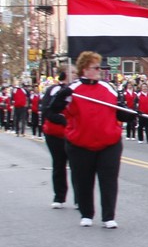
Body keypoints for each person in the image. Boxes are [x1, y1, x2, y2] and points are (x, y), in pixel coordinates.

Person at [47, 52, 126, 228]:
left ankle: (108, 216)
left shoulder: (108, 88)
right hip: (80, 143)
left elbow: (120, 112)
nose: (99, 71)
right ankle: (86, 213)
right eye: (95, 68)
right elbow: (52, 111)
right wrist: (61, 98)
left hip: (109, 142)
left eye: (100, 67)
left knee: (109, 179)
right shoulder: (72, 89)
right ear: (85, 70)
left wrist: (127, 112)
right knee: (83, 179)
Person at [40, 72, 72, 209]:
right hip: (55, 133)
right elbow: (46, 110)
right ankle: (59, 197)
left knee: (79, 167)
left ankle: (80, 199)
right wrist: (63, 120)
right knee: (59, 164)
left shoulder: (79, 90)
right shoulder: (53, 90)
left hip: (74, 133)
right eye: (73, 72)